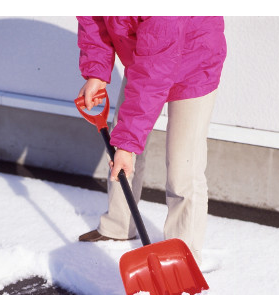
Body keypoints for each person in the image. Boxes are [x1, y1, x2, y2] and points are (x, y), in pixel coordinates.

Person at [76, 16, 226, 265]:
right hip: (144, 58)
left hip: (195, 63)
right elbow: (93, 21)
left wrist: (127, 145)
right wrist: (96, 73)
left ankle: (183, 257)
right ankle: (119, 226)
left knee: (183, 166)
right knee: (120, 149)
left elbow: (153, 76)